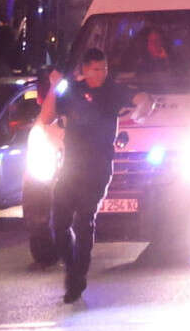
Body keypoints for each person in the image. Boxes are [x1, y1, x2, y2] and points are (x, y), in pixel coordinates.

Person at [34, 49, 124, 305]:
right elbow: (46, 117)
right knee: (58, 224)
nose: (101, 74)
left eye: (104, 69)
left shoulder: (110, 92)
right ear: (84, 70)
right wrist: (55, 86)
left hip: (97, 169)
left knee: (84, 222)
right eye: (95, 69)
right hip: (70, 168)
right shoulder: (71, 90)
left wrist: (143, 104)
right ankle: (73, 269)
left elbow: (136, 98)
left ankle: (77, 276)